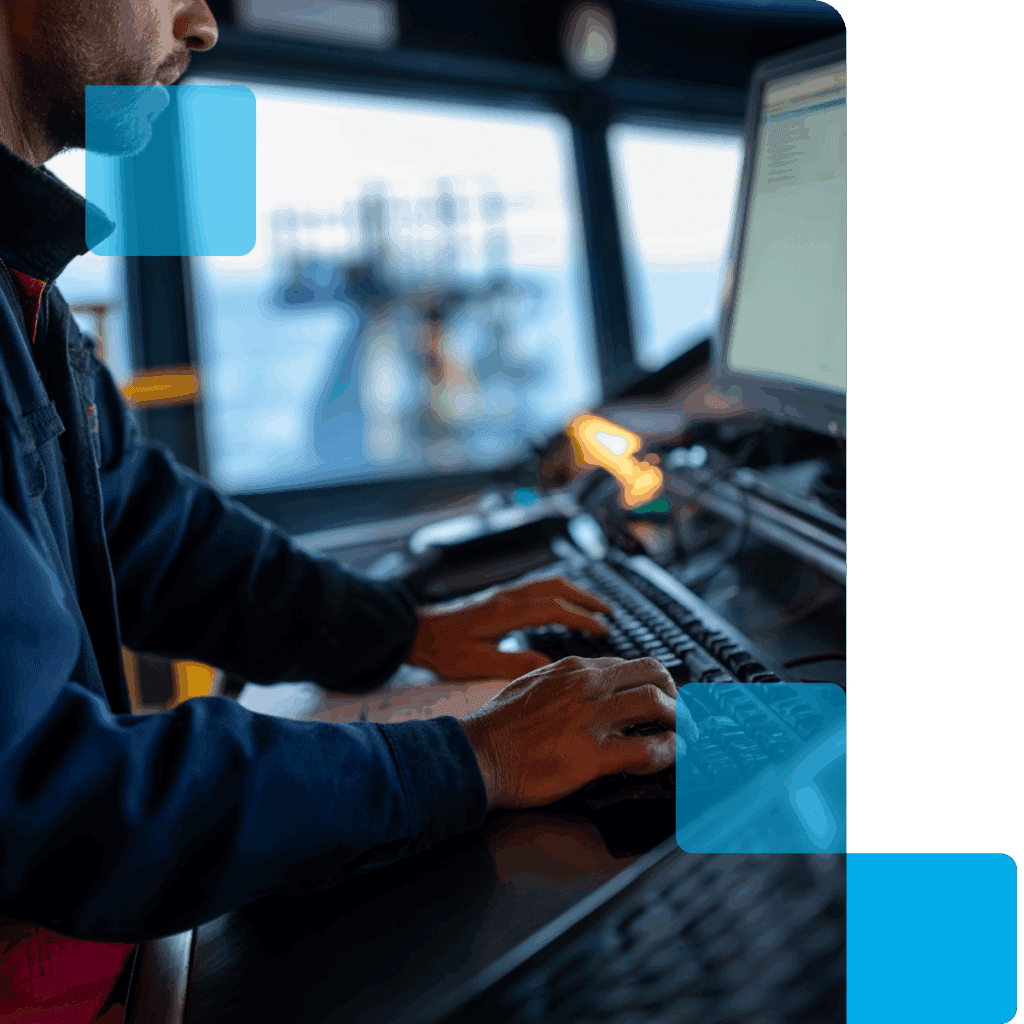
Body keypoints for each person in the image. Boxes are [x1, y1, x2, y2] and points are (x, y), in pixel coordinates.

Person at [0, 2, 696, 1019]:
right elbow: (40, 791)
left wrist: (401, 628)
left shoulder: (24, 288)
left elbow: (149, 526)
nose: (200, 24)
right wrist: (473, 757)